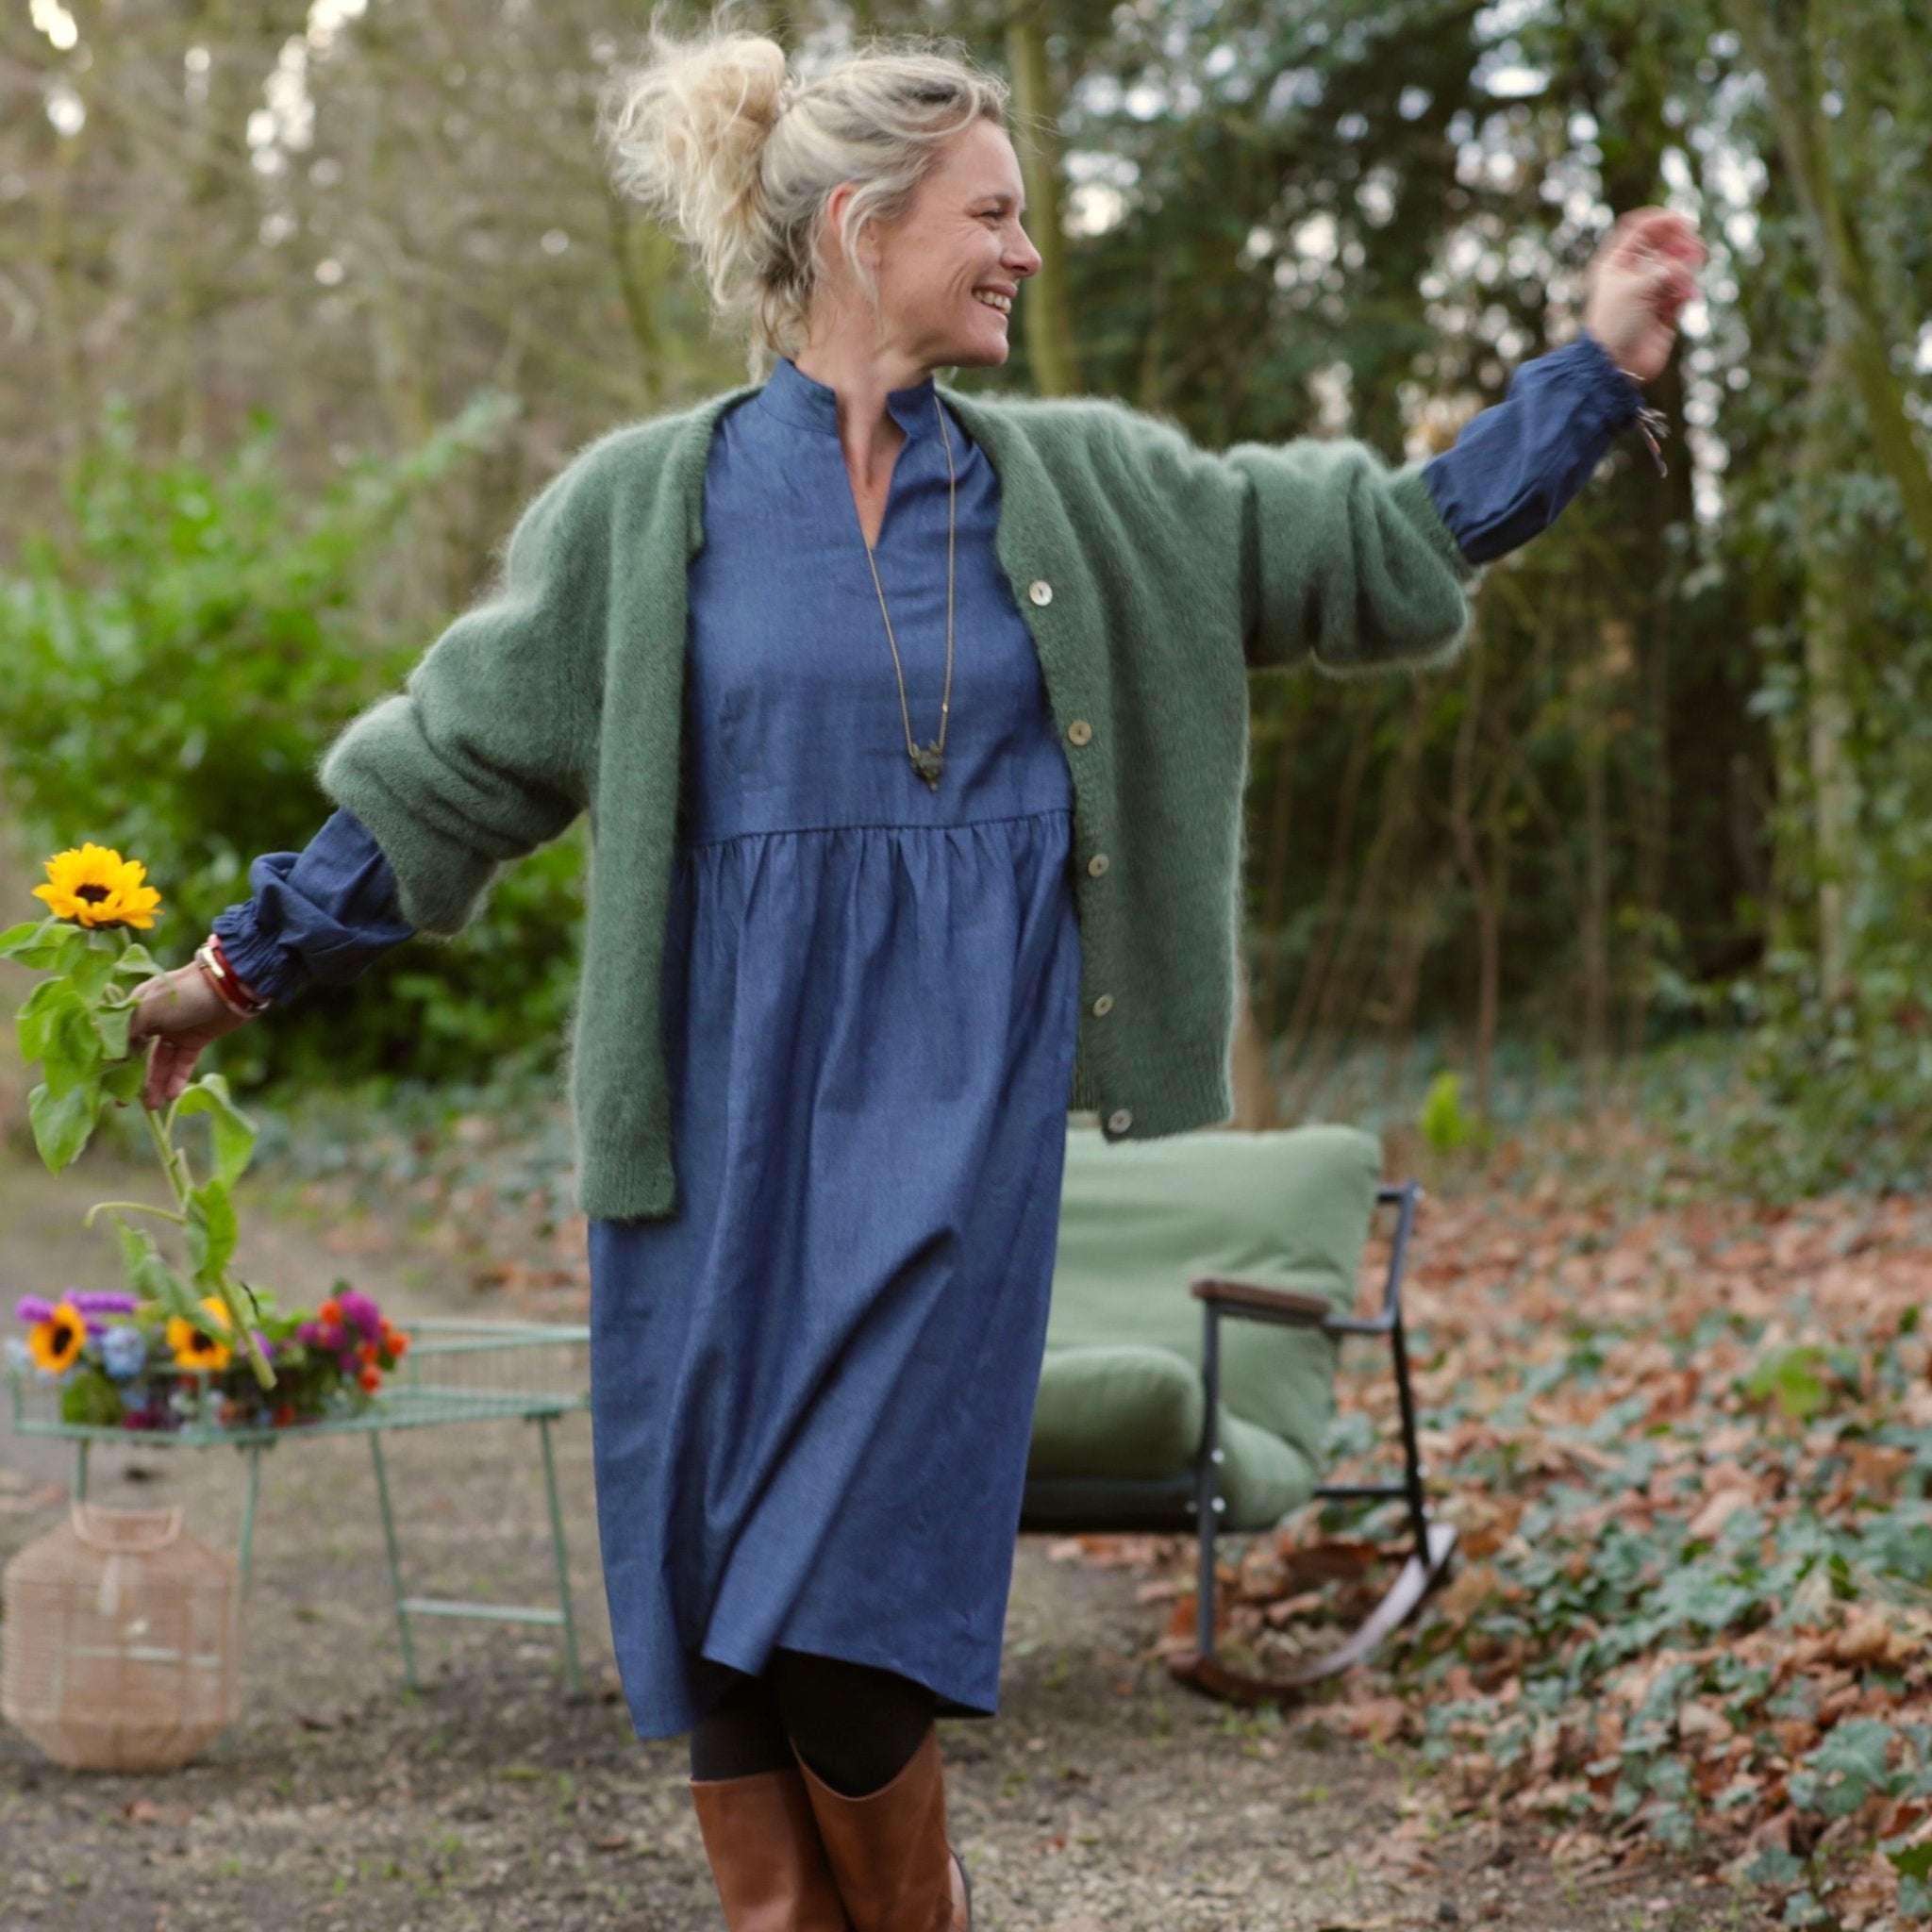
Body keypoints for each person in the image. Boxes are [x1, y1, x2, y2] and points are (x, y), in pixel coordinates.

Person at [126, 17, 1704, 1930]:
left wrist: (1595, 370)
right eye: (992, 213)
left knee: (848, 1624)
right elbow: (454, 769)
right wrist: (240, 964)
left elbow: (1380, 541)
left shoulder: (1101, 501)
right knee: (721, 1636)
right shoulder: (645, 509)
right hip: (708, 1141)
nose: (1027, 249)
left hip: (952, 1144)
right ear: (863, 229)